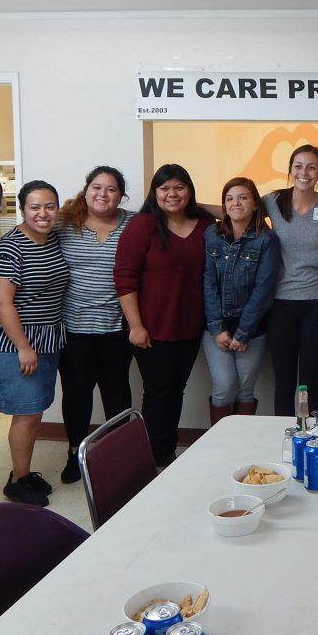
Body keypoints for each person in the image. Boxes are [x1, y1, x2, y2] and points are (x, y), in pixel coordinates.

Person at [115, 164, 211, 467]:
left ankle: (166, 450)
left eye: (179, 187)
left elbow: (242, 209)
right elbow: (124, 277)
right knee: (157, 392)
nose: (172, 194)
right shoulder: (142, 225)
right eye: (164, 188)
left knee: (176, 389)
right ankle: (153, 457)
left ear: (190, 190)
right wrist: (135, 326)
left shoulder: (205, 224)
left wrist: (196, 205)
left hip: (190, 327)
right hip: (150, 329)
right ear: (154, 192)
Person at [0, 180, 69, 507]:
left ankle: (23, 471)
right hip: (14, 345)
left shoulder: (53, 239)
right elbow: (3, 303)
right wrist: (23, 346)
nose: (43, 213)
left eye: (49, 206)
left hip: (47, 340)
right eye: (34, 207)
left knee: (34, 410)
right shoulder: (11, 247)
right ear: (22, 209)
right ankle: (18, 481)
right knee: (28, 412)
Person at [55, 166, 133, 484]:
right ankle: (76, 452)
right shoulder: (63, 224)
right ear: (86, 190)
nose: (103, 194)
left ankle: (116, 455)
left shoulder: (133, 223)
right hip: (73, 330)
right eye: (97, 187)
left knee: (117, 396)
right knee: (77, 395)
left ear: (121, 195)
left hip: (116, 329)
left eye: (111, 189)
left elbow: (179, 212)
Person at [262, 144, 318, 415]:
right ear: (290, 170)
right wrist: (193, 206)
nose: (304, 172)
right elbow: (235, 208)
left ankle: (311, 436)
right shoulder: (273, 201)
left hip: (317, 305)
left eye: (311, 166)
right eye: (298, 166)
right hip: (279, 304)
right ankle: (283, 435)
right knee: (284, 381)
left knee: (310, 380)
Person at [202, 177, 280, 422]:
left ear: (255, 204)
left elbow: (263, 290)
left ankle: (241, 447)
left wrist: (243, 332)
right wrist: (217, 328)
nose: (236, 203)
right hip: (216, 327)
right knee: (224, 388)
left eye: (243, 197)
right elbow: (208, 282)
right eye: (229, 199)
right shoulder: (212, 235)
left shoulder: (266, 240)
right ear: (224, 206)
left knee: (245, 390)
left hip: (252, 329)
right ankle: (219, 446)